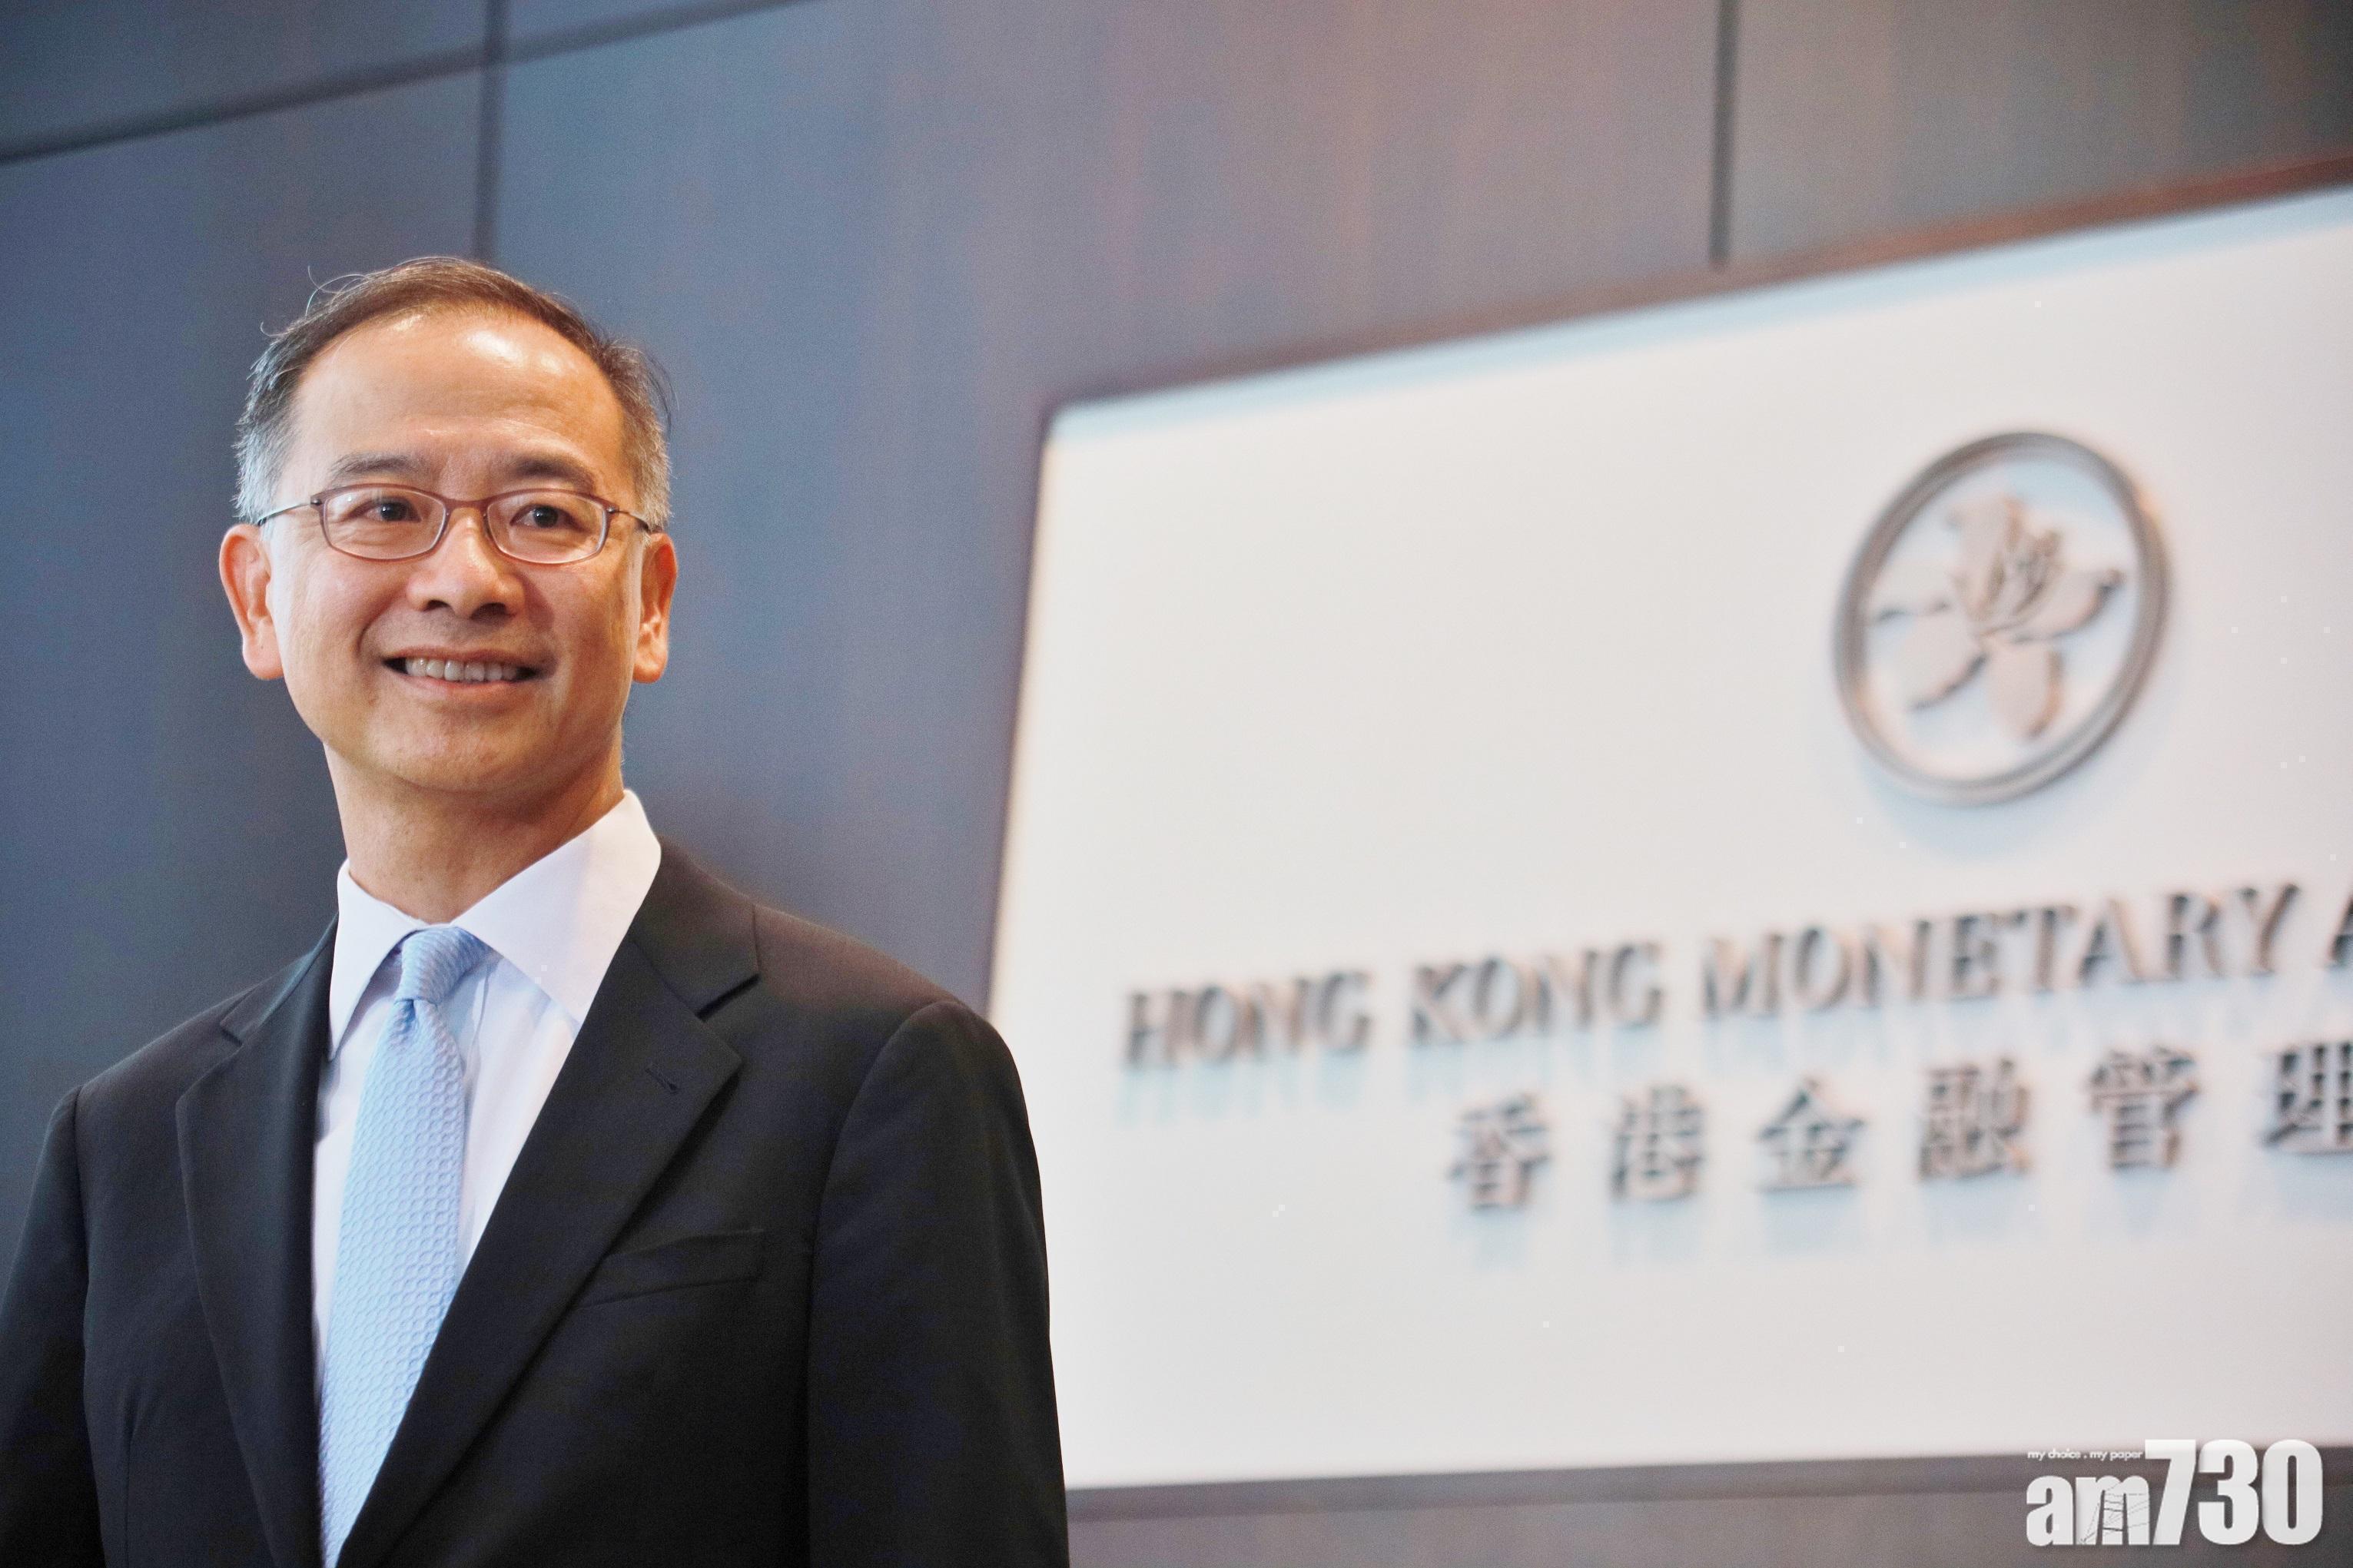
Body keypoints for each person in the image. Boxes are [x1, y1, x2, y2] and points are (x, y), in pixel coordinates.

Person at [0, 258, 1067, 1567]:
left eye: (545, 515)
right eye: (384, 509)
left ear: (651, 601)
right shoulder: (124, 1146)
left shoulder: (873, 1076)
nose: (466, 578)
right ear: (259, 595)